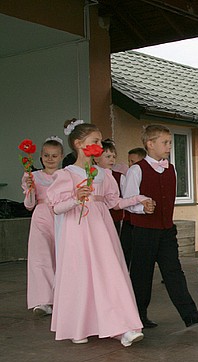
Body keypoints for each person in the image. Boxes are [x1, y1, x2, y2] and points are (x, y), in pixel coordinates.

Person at [47, 119, 150, 346]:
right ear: (78, 143)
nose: (100, 146)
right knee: (81, 275)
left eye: (100, 141)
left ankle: (122, 326)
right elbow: (56, 208)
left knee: (110, 273)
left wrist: (138, 199)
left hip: (101, 230)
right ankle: (79, 325)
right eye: (95, 141)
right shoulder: (66, 174)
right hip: (78, 232)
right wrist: (76, 198)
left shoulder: (103, 174)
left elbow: (114, 202)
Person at [122, 124, 198, 329]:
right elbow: (127, 200)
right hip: (144, 231)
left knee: (174, 271)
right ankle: (138, 316)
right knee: (141, 274)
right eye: (165, 142)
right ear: (150, 144)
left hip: (167, 230)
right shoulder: (136, 170)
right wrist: (142, 208)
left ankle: (189, 314)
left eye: (170, 142)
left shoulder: (171, 168)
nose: (170, 146)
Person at [22, 136, 64, 315]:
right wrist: (30, 189)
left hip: (62, 216)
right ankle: (43, 300)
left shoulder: (66, 175)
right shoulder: (33, 176)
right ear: (40, 156)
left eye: (54, 156)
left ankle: (62, 298)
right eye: (46, 155)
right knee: (41, 257)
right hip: (41, 217)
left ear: (61, 156)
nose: (50, 159)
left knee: (62, 256)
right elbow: (29, 205)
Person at [120, 147, 147, 268]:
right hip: (128, 219)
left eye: (133, 162)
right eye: (129, 161)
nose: (130, 165)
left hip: (140, 221)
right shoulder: (125, 176)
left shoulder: (142, 174)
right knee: (125, 250)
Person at [95, 139, 124, 233]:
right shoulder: (90, 176)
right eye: (108, 156)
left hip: (114, 218)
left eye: (114, 157)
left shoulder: (119, 177)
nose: (112, 160)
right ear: (96, 158)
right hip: (96, 217)